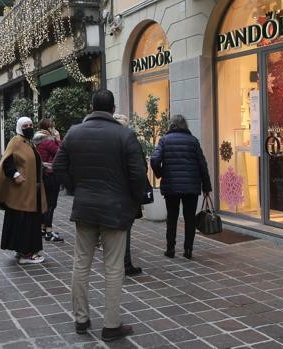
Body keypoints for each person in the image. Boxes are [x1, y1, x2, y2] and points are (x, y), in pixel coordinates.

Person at [53, 89, 147, 342]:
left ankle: (81, 319)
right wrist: (134, 200)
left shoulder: (74, 132)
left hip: (85, 207)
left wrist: (76, 187)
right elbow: (138, 175)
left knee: (80, 263)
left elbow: (59, 167)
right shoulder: (125, 135)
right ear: (112, 108)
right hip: (116, 209)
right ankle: (111, 324)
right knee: (114, 266)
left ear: (91, 106)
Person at [150, 115, 212, 260]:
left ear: (171, 125)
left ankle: (170, 249)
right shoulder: (193, 141)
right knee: (190, 218)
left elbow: (154, 159)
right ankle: (188, 250)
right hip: (191, 187)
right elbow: (203, 165)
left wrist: (160, 174)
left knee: (172, 218)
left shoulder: (164, 141)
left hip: (171, 186)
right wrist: (206, 186)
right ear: (185, 126)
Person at [0, 116, 48, 265]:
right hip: (23, 192)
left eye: (31, 125)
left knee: (29, 221)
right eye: (25, 125)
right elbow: (7, 161)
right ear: (19, 127)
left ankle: (23, 250)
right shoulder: (16, 141)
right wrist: (15, 175)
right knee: (24, 222)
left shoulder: (29, 142)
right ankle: (27, 253)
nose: (29, 127)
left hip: (32, 191)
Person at [113, 113, 143, 276]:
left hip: (109, 192)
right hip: (125, 193)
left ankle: (116, 262)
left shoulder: (107, 141)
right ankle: (125, 263)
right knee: (125, 229)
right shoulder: (130, 140)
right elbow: (139, 170)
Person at [34, 118, 63, 242]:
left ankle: (42, 228)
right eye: (53, 127)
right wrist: (58, 139)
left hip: (42, 173)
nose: (54, 129)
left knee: (45, 202)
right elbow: (60, 152)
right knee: (51, 203)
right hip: (50, 173)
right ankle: (49, 231)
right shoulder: (48, 140)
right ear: (49, 128)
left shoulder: (37, 138)